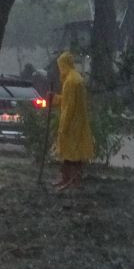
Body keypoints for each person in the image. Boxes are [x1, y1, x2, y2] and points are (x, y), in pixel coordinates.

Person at [52, 51, 93, 190]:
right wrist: (56, 99)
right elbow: (68, 100)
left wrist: (63, 126)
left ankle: (71, 180)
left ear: (64, 64)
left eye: (60, 66)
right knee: (74, 152)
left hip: (72, 124)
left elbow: (69, 107)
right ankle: (69, 179)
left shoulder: (70, 81)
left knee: (70, 153)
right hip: (79, 122)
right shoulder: (76, 78)